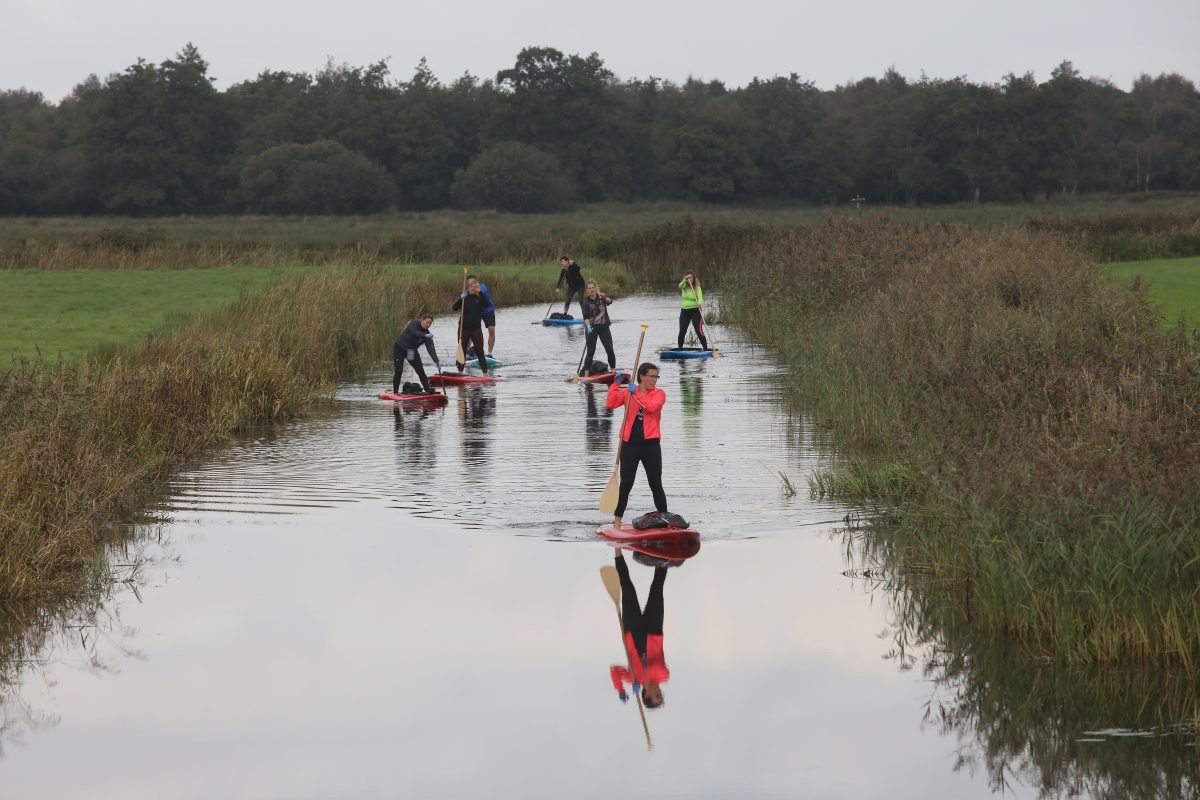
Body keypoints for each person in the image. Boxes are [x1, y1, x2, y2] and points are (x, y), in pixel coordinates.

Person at [605, 362, 667, 528]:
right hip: (629, 446)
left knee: (656, 483)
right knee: (626, 484)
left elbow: (652, 408)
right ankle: (617, 521)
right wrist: (616, 384)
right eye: (652, 376)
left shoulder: (659, 394)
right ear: (642, 376)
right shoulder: (627, 393)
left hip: (651, 446)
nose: (655, 380)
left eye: (656, 376)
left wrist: (635, 395)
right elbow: (610, 404)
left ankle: (665, 518)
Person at [609, 552, 668, 709]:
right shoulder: (663, 676)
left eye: (656, 695)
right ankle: (664, 551)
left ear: (646, 695)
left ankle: (617, 551)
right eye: (660, 695)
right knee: (657, 587)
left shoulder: (632, 678)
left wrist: (620, 689)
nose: (659, 692)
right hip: (653, 630)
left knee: (627, 587)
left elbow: (614, 670)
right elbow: (655, 667)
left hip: (632, 630)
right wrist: (638, 678)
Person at [392, 313, 440, 394]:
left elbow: (431, 349)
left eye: (430, 323)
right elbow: (415, 332)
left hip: (410, 352)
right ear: (422, 320)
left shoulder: (427, 334)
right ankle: (395, 392)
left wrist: (436, 361)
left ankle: (427, 389)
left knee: (420, 370)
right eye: (427, 322)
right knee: (399, 371)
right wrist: (425, 335)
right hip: (399, 348)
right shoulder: (414, 323)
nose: (428, 325)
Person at [451, 278, 491, 375]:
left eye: (476, 287)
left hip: (476, 329)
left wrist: (480, 293)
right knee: (462, 350)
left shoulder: (479, 298)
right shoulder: (464, 298)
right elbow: (454, 308)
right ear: (468, 287)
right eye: (472, 286)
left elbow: (486, 304)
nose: (474, 288)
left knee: (479, 350)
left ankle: (485, 373)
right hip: (463, 328)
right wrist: (460, 298)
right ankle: (460, 372)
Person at [579, 279, 616, 377]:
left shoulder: (601, 298)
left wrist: (604, 297)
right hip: (592, 329)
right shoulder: (586, 303)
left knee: (610, 349)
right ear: (587, 290)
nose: (591, 290)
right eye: (589, 288)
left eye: (593, 288)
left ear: (596, 288)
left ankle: (613, 371)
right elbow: (586, 318)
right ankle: (586, 375)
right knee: (590, 352)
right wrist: (588, 327)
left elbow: (610, 301)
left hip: (604, 328)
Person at [677, 271, 710, 351]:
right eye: (687, 278)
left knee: (699, 331)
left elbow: (700, 298)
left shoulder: (697, 288)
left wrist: (699, 303)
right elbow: (680, 285)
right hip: (685, 311)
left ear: (694, 278)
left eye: (690, 278)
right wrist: (685, 280)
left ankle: (705, 348)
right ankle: (680, 349)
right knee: (682, 331)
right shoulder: (684, 286)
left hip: (695, 310)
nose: (689, 279)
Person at [466, 273, 497, 356]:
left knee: (491, 331)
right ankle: (468, 353)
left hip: (488, 311)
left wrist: (475, 290)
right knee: (471, 331)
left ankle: (490, 353)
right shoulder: (469, 291)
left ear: (476, 281)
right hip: (477, 312)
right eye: (470, 284)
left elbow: (479, 294)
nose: (472, 285)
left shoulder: (482, 287)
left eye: (473, 283)